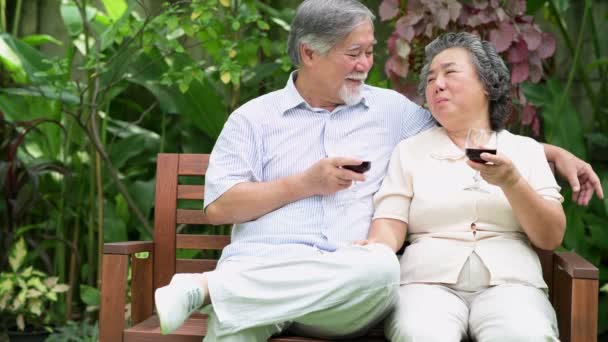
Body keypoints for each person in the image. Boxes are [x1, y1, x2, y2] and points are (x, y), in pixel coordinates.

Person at [154, 1, 603, 341]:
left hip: (347, 291)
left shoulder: (392, 112)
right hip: (260, 277)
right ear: (310, 53)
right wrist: (304, 183)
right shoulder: (253, 119)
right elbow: (217, 208)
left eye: (369, 51)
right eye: (354, 53)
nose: (366, 64)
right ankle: (224, 292)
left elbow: (466, 131)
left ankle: (208, 287)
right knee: (233, 327)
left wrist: (550, 153)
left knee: (380, 268)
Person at [364, 32, 567, 341]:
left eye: (450, 72)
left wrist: (512, 182)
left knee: (523, 333)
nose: (437, 84)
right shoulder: (409, 151)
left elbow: (550, 236)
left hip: (512, 286)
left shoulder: (526, 151)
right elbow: (390, 225)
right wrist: (375, 248)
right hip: (426, 285)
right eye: (431, 78)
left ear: (486, 84)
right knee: (420, 333)